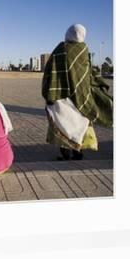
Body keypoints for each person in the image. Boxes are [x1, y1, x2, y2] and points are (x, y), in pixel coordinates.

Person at [42, 24, 113, 160]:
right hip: (81, 95)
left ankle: (65, 154)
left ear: (68, 33)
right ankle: (78, 152)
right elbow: (89, 71)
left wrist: (48, 93)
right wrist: (99, 82)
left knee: (63, 124)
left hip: (61, 96)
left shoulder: (60, 49)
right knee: (79, 124)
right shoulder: (83, 49)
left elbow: (50, 71)